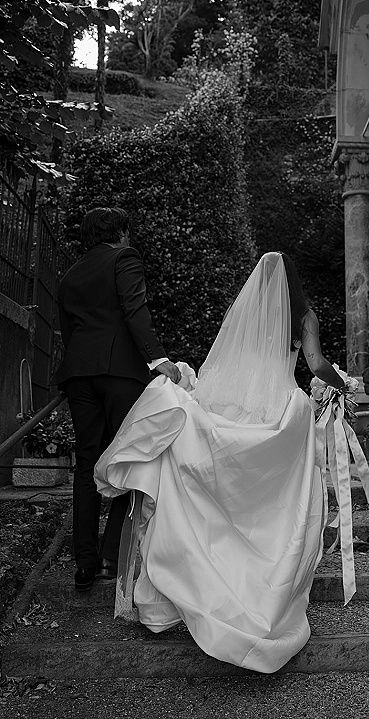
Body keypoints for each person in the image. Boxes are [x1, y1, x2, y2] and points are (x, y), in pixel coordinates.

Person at [95, 252, 347, 673]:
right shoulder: (304, 315)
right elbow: (317, 365)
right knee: (276, 502)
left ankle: (206, 578)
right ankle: (265, 589)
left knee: (221, 488)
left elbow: (228, 365)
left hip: (241, 405)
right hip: (281, 407)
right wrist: (343, 383)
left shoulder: (244, 312)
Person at [54, 206, 181, 593]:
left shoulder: (69, 275)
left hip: (79, 373)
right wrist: (158, 360)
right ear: (122, 232)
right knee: (130, 455)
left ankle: (84, 563)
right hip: (120, 372)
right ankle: (113, 554)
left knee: (87, 463)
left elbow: (67, 329)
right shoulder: (124, 258)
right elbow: (134, 310)